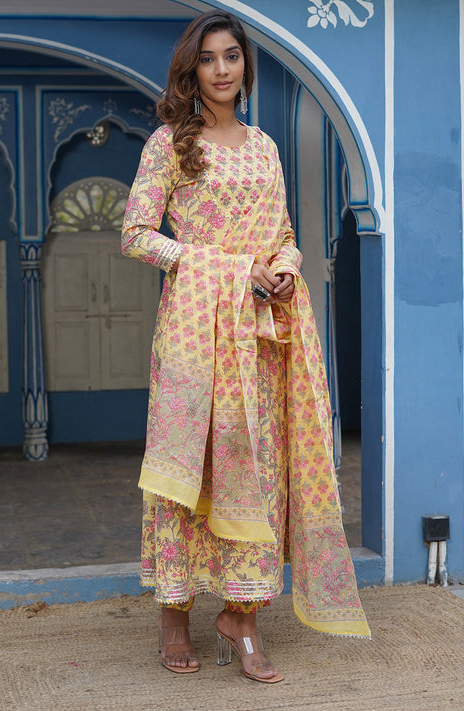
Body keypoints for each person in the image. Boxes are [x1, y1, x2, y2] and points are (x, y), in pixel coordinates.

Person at [121, 9, 370, 683]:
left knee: (254, 469)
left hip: (259, 334)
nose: (222, 69)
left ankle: (242, 615)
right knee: (189, 471)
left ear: (245, 66)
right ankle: (174, 614)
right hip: (193, 336)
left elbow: (283, 232)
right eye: (208, 58)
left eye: (232, 56)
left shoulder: (264, 147)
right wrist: (231, 269)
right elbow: (137, 235)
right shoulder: (170, 143)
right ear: (191, 70)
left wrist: (283, 266)